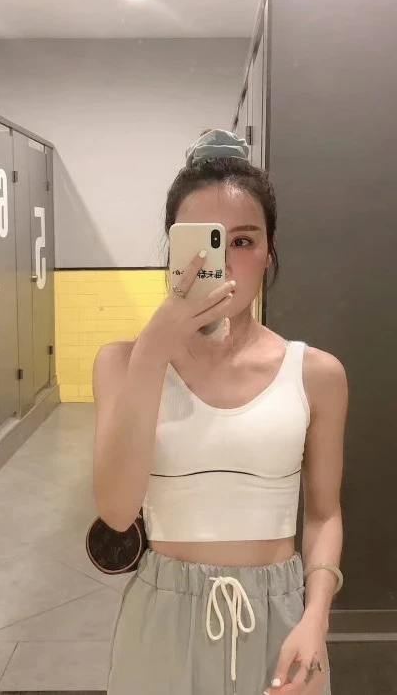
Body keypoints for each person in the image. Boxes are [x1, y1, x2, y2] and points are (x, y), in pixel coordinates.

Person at [92, 129, 348, 695]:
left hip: (281, 616)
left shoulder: (316, 374)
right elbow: (116, 509)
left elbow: (323, 514)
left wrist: (316, 618)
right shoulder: (121, 363)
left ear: (269, 252)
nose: (226, 262)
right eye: (204, 242)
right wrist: (154, 349)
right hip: (163, 617)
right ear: (173, 250)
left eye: (244, 240)